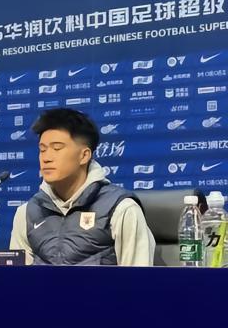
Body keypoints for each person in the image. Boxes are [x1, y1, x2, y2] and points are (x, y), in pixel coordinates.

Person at [9, 108, 154, 266]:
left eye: (57, 148)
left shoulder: (122, 209)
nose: (46, 158)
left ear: (84, 155)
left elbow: (138, 278)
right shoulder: (26, 213)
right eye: (42, 150)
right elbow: (18, 279)